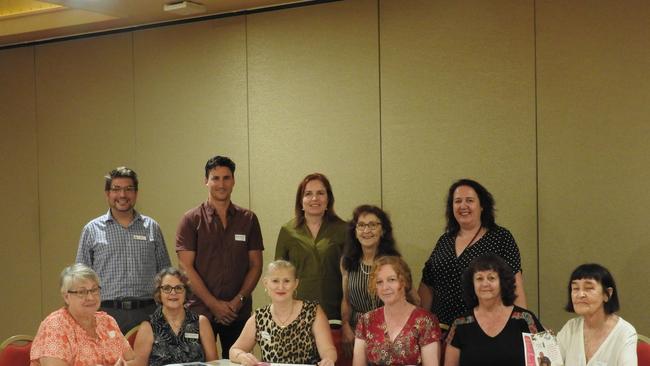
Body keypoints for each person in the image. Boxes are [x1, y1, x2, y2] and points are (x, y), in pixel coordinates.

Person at [176, 155, 264, 356]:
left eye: (226, 178)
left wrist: (237, 301)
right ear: (206, 181)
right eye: (215, 178)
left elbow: (256, 265)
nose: (221, 184)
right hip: (200, 312)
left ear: (233, 181)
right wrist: (214, 305)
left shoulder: (248, 219)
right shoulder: (191, 220)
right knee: (198, 363)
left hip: (237, 313)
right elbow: (185, 267)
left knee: (237, 362)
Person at [419, 178, 527, 330]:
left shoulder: (500, 237)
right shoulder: (445, 240)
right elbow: (427, 283)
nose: (463, 206)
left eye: (469, 200)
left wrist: (523, 328)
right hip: (441, 331)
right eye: (457, 201)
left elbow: (515, 287)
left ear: (482, 205)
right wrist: (421, 325)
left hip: (484, 331)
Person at [76, 166, 171, 333]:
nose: (122, 195)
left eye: (129, 189)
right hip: (106, 312)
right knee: (109, 360)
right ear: (107, 193)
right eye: (116, 189)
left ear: (136, 193)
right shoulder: (91, 230)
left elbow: (165, 274)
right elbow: (80, 279)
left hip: (147, 312)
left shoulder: (152, 228)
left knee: (148, 359)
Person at [229, 260, 337, 366]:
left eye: (286, 281)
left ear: (296, 283)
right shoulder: (259, 316)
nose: (281, 287)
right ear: (266, 283)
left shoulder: (313, 311)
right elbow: (234, 350)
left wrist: (328, 359)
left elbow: (328, 349)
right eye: (275, 281)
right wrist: (242, 356)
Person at [444, 253, 544, 366]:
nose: (485, 283)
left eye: (491, 278)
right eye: (479, 278)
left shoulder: (526, 319)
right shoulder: (460, 324)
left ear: (503, 282)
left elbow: (548, 361)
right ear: (472, 284)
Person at [30, 263, 135, 366]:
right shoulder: (55, 326)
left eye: (94, 290)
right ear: (66, 297)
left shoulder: (107, 322)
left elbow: (132, 360)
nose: (91, 297)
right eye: (81, 292)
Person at [275, 173, 347, 320]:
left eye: (320, 193)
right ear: (301, 201)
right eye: (308, 194)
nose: (315, 198)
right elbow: (278, 276)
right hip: (296, 315)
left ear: (328, 199)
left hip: (334, 313)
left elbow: (351, 276)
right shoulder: (288, 231)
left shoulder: (343, 230)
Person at [354, 256, 441, 366]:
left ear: (404, 281)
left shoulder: (425, 321)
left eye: (391, 280)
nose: (385, 287)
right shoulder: (366, 321)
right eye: (379, 282)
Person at [340, 204, 402, 358]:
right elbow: (346, 300)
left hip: (389, 332)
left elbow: (411, 299)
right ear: (354, 231)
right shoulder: (347, 261)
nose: (366, 231)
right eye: (361, 225)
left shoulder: (394, 262)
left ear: (383, 230)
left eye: (372, 225)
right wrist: (345, 326)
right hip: (356, 332)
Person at [132, 267, 218, 366]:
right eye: (167, 288)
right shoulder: (148, 327)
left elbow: (213, 364)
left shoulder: (201, 322)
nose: (173, 293)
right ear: (159, 293)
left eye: (178, 288)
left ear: (186, 292)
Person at [556, 263, 637, 366]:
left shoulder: (625, 333)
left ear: (607, 294)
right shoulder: (570, 328)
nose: (580, 294)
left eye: (589, 288)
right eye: (575, 288)